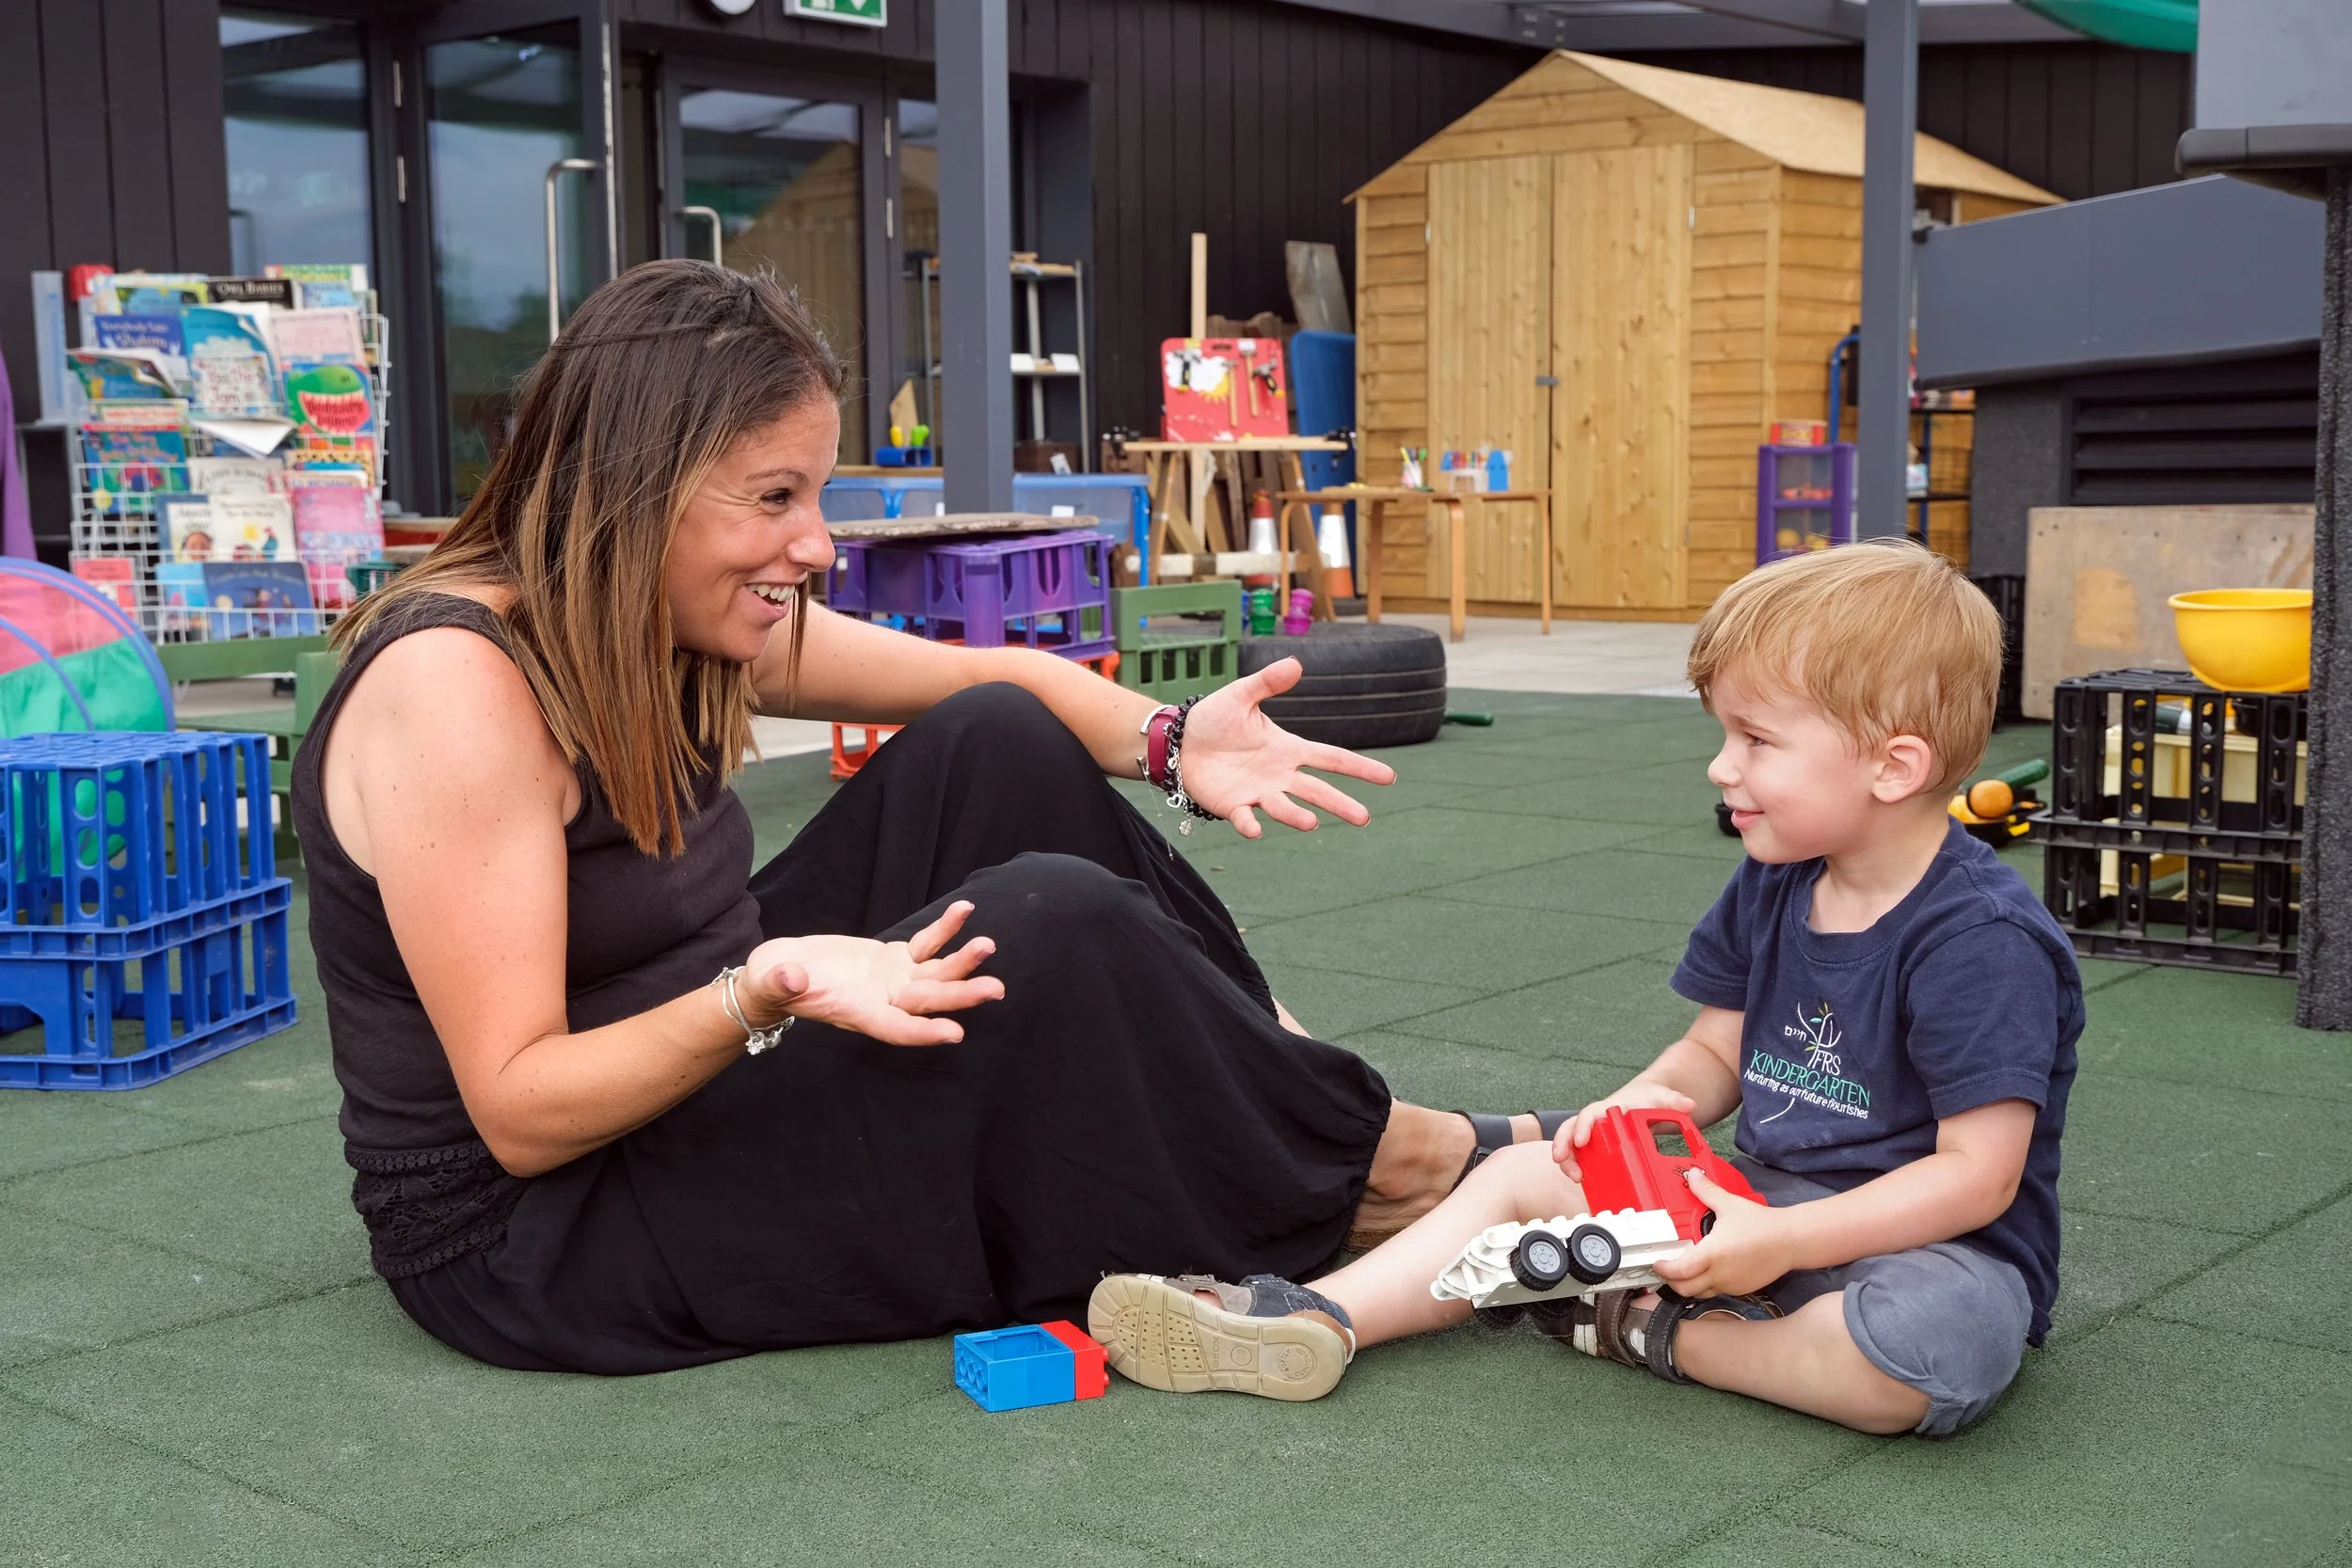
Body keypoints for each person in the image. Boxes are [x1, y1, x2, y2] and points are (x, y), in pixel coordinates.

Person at [295, 260, 1557, 1375]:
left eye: (819, 494)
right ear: (634, 489)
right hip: (537, 1230)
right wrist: (764, 986)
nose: (818, 544)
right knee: (1049, 921)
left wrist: (1170, 741)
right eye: (776, 496)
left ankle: (1350, 1130)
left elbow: (987, 686)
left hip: (692, 1060)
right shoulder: (456, 688)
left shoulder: (651, 607)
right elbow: (518, 1113)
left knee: (998, 747)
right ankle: (1381, 1166)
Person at [1089, 541, 2083, 1436]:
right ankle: (1322, 1316)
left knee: (1931, 1350)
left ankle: (1646, 1328)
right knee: (1520, 1174)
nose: (1720, 766)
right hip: (1746, 1202)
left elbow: (1975, 1178)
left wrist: (1783, 1238)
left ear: (1893, 764)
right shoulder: (1781, 876)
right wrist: (1638, 1104)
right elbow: (1714, 1051)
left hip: (1922, 1248)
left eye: (1756, 741)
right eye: (1722, 732)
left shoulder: (1978, 941)